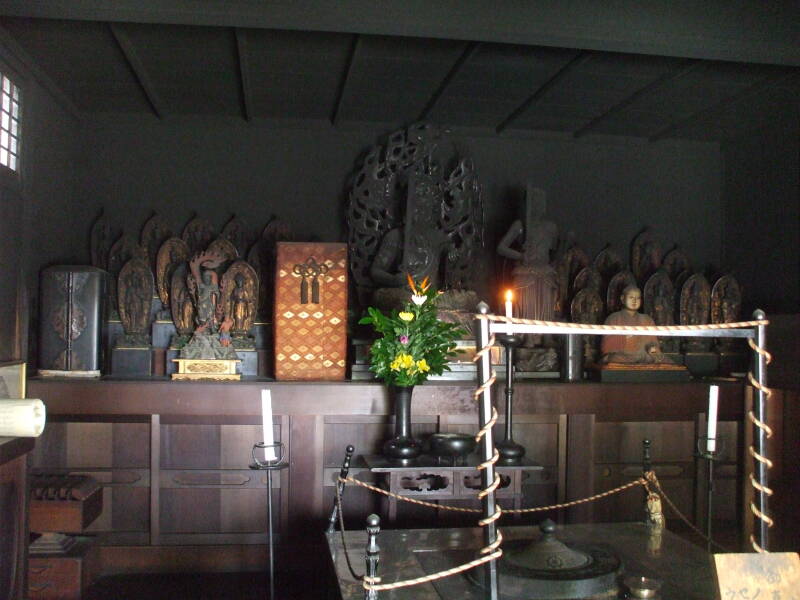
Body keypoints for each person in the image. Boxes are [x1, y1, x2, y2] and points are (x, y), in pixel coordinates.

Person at [497, 185, 558, 322]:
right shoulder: (521, 225)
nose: (539, 206)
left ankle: (544, 334)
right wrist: (521, 256)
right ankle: (528, 335)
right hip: (526, 272)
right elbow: (501, 248)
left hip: (545, 271)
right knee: (527, 304)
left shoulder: (550, 227)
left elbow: (554, 250)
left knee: (545, 304)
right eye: (535, 202)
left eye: (541, 202)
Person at [601, 286, 669, 364]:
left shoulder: (647, 319)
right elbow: (607, 347)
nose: (634, 301)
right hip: (623, 355)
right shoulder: (614, 318)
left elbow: (653, 342)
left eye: (638, 298)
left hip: (643, 355)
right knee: (614, 359)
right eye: (631, 297)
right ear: (622, 299)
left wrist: (653, 348)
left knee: (664, 360)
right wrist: (625, 337)